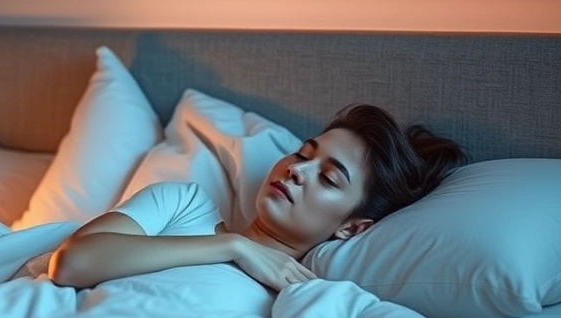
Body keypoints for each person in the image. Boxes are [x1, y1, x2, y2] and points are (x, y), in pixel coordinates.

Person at [48, 104, 467, 292]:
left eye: (327, 178)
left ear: (352, 228)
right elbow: (71, 264)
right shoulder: (184, 205)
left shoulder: (305, 295)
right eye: (303, 154)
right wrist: (233, 246)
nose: (296, 170)